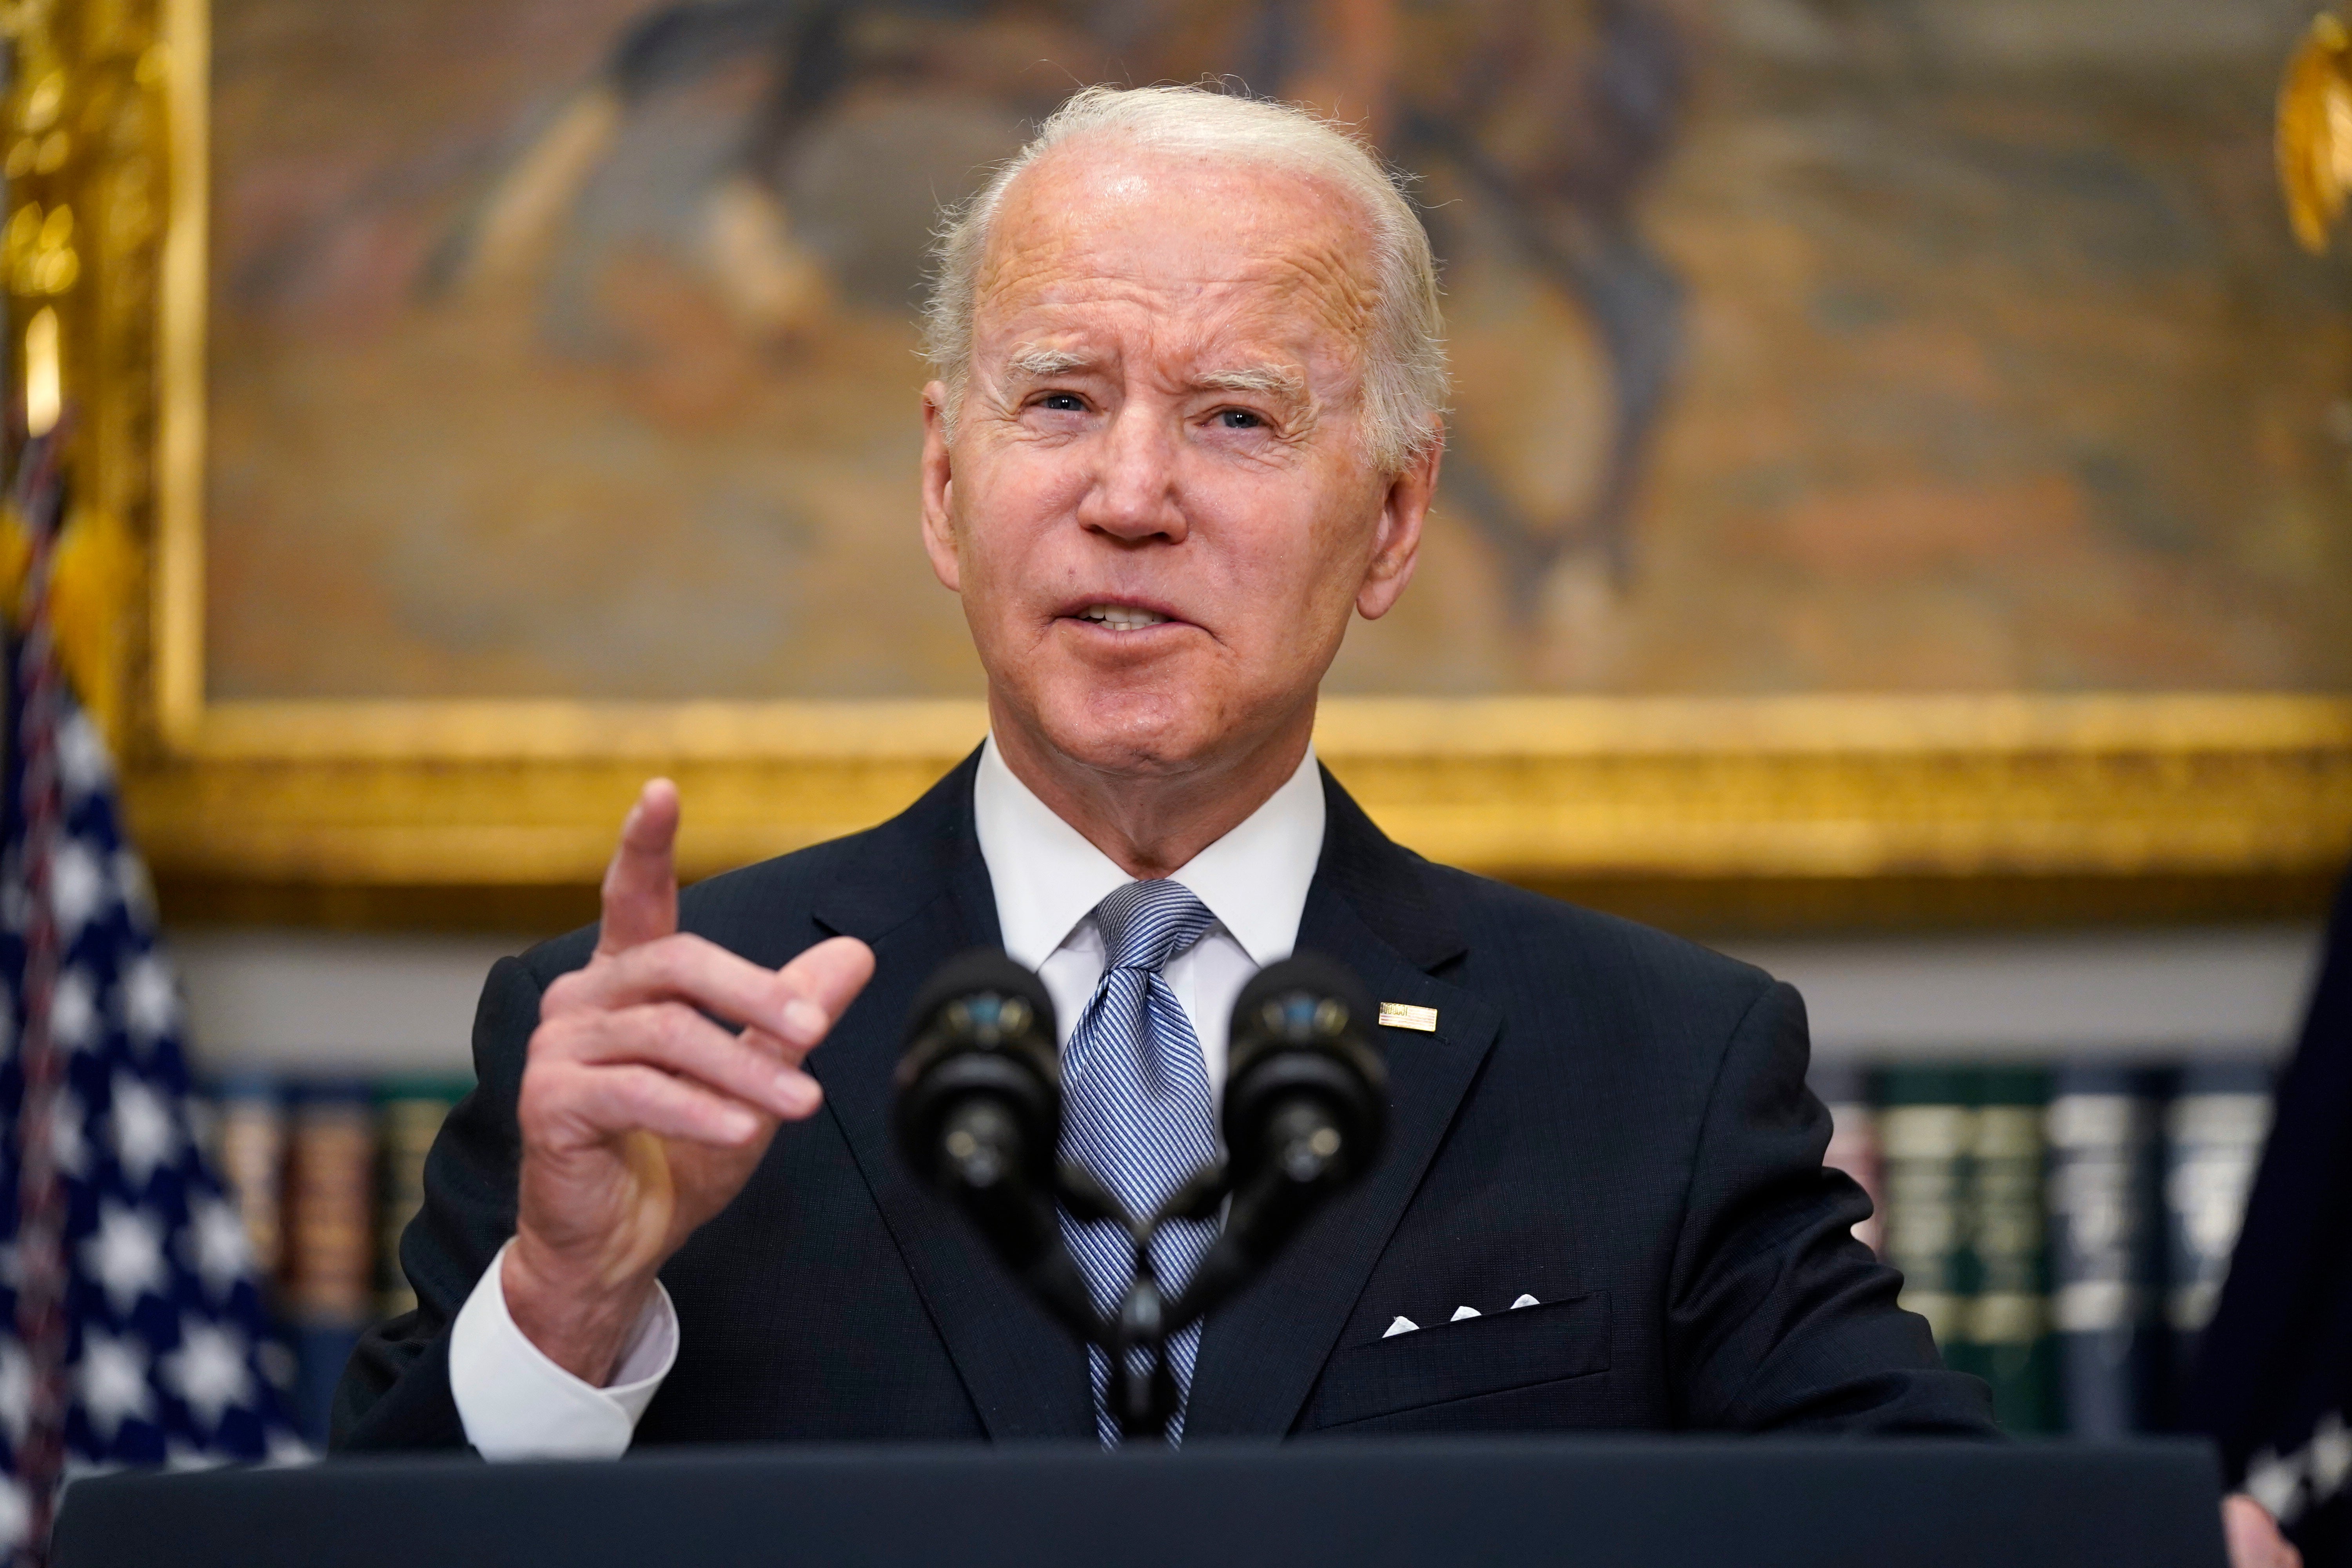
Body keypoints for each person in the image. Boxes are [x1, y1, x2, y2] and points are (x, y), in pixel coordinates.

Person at [325, 87, 2293, 1555]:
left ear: (1399, 520)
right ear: (946, 489)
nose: (1132, 493)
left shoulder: (1652, 1067)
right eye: (1061, 400)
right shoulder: (659, 1043)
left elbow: (1913, 1510)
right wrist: (566, 1311)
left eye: (1242, 415)